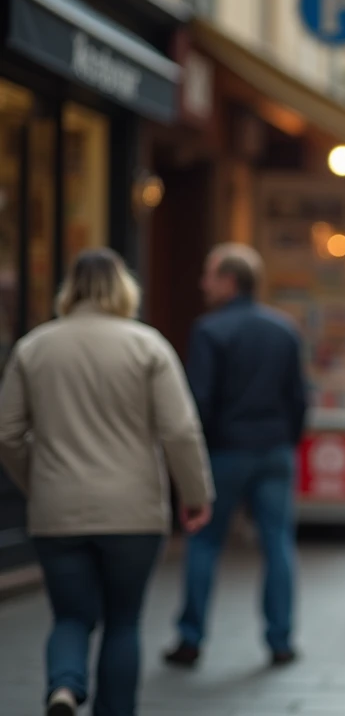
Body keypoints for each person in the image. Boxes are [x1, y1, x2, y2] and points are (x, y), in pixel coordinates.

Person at [0, 249, 213, 716]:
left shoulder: (34, 347)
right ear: (124, 289)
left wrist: (37, 482)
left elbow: (8, 433)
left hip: (57, 509)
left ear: (68, 290)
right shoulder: (147, 345)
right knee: (122, 622)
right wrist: (196, 495)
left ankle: (64, 686)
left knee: (70, 616)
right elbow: (179, 430)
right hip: (133, 511)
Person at [166, 243, 309, 669]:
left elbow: (200, 401)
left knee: (204, 542)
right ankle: (280, 640)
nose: (202, 283)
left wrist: (197, 458)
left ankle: (190, 639)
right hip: (273, 450)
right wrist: (288, 441)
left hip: (225, 451)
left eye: (209, 275)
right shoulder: (284, 328)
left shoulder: (209, 330)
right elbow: (298, 398)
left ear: (229, 281)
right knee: (278, 543)